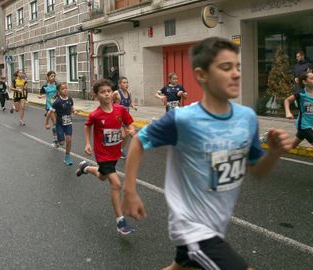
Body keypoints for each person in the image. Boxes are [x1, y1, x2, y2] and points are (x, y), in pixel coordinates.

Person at [121, 37, 293, 270]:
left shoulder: (247, 118)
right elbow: (139, 141)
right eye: (225, 67)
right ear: (202, 75)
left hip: (216, 224)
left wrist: (274, 153)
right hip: (191, 227)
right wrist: (130, 191)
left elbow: (258, 170)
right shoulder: (182, 119)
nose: (236, 74)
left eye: (237, 67)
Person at [76, 79, 136, 235]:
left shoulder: (121, 110)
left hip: (115, 152)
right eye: (102, 92)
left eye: (109, 91)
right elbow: (87, 125)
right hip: (102, 153)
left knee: (102, 176)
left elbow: (129, 124)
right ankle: (120, 221)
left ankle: (85, 168)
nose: (107, 94)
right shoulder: (95, 114)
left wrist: (130, 131)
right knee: (116, 184)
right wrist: (88, 143)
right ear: (96, 95)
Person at [112, 76, 137, 159]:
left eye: (127, 82)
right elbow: (109, 102)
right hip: (118, 118)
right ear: (119, 85)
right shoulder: (116, 93)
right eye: (124, 83)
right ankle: (116, 148)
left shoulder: (129, 93)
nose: (126, 84)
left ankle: (120, 150)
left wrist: (133, 106)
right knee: (123, 135)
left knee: (130, 134)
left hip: (126, 118)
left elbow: (130, 102)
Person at [52, 82, 76, 165]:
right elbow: (52, 112)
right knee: (62, 143)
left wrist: (74, 111)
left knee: (69, 140)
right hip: (60, 124)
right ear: (59, 92)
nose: (65, 90)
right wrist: (53, 121)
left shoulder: (70, 99)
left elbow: (72, 108)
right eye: (63, 89)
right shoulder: (57, 102)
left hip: (68, 123)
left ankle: (67, 156)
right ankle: (55, 131)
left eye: (66, 88)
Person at [38, 71, 59, 147]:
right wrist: (43, 96)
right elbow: (40, 95)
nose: (53, 77)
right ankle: (55, 140)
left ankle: (56, 138)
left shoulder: (57, 85)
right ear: (48, 77)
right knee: (55, 122)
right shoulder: (44, 86)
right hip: (49, 106)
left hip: (57, 106)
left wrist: (57, 95)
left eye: (54, 76)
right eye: (51, 76)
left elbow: (60, 92)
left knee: (57, 123)